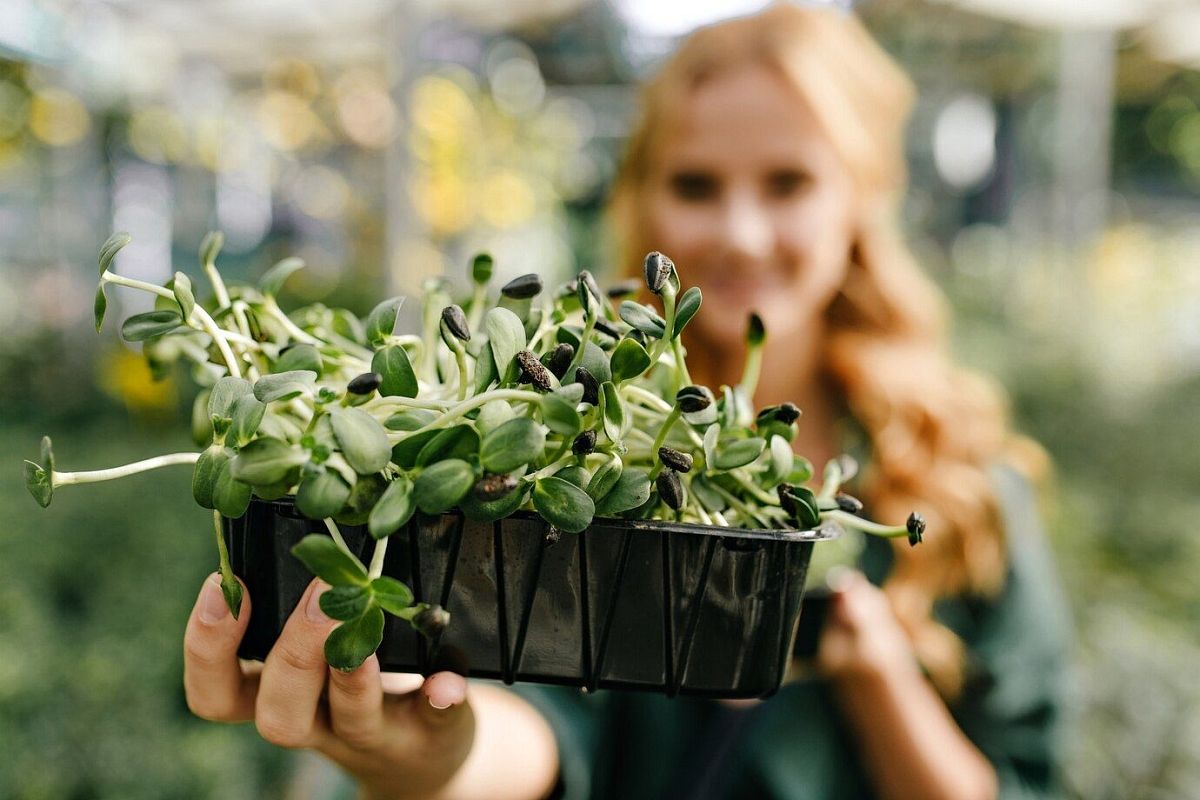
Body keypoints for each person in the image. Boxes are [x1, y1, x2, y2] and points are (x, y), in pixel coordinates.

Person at [182, 5, 1071, 799]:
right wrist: (427, 757)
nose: (740, 232)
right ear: (640, 195)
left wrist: (880, 682)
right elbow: (534, 726)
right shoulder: (552, 440)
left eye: (788, 182)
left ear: (863, 197)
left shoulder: (964, 484)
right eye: (696, 184)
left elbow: (1025, 778)